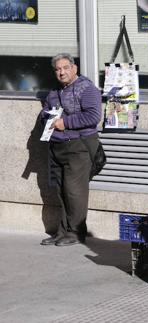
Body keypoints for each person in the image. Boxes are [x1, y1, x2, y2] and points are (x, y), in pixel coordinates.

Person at [39, 53, 102, 246]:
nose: (61, 72)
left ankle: (76, 232)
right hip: (57, 145)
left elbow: (93, 116)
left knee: (75, 191)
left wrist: (64, 123)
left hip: (78, 146)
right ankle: (62, 231)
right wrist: (46, 116)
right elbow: (47, 111)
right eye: (58, 69)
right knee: (61, 191)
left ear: (74, 68)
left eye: (65, 68)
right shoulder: (54, 91)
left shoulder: (87, 88)